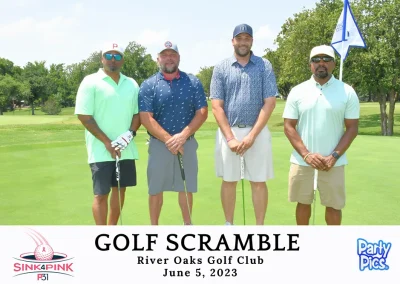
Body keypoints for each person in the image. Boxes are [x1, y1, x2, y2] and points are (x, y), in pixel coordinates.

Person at [282, 45, 360, 225]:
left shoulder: (347, 91)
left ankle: (331, 246)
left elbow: (352, 128)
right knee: (302, 203)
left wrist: (334, 156)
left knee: (334, 206)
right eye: (316, 60)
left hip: (334, 161)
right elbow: (289, 126)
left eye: (326, 59)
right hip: (302, 160)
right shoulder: (298, 91)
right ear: (310, 65)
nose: (321, 63)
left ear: (333, 64)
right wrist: (306, 154)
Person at [210, 24, 278, 225]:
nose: (243, 42)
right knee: (229, 181)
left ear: (252, 41)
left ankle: (259, 227)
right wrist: (230, 138)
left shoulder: (264, 65)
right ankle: (229, 224)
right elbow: (216, 106)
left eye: (247, 38)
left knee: (258, 181)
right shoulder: (221, 68)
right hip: (228, 132)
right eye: (239, 38)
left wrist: (251, 136)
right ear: (233, 41)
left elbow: (270, 102)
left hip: (257, 131)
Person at [138, 41, 208, 225]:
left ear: (178, 57)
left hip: (187, 143)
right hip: (159, 144)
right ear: (158, 59)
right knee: (155, 189)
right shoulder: (148, 85)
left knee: (186, 187)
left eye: (172, 54)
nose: (169, 58)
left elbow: (202, 112)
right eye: (165, 54)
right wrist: (170, 140)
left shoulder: (192, 82)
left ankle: (187, 225)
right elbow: (146, 118)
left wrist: (182, 136)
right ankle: (154, 228)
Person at [74, 42, 140, 225]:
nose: (113, 59)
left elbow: (137, 114)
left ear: (123, 60)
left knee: (120, 190)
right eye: (109, 56)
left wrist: (130, 134)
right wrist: (107, 142)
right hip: (100, 149)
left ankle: (111, 231)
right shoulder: (90, 81)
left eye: (117, 56)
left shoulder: (132, 84)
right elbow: (84, 115)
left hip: (125, 149)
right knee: (101, 194)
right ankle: (102, 235)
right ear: (102, 58)